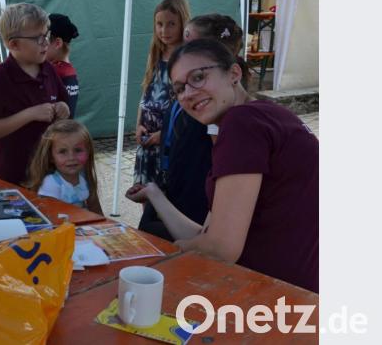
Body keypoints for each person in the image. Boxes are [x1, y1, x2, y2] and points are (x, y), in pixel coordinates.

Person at [126, 39, 318, 292]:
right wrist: (154, 194)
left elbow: (221, 249)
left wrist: (164, 257)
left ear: (234, 73)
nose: (188, 94)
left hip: (274, 300)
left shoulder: (243, 124)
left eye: (198, 77)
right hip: (295, 297)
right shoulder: (269, 115)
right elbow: (208, 236)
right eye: (179, 89)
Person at [137, 13, 245, 240]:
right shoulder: (194, 97)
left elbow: (219, 246)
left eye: (191, 46)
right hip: (173, 184)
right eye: (180, 87)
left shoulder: (234, 120)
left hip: (194, 196)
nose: (183, 53)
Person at [0, 3, 70, 185]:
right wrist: (30, 114)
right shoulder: (0, 77)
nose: (45, 43)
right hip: (11, 176)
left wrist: (63, 108)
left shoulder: (49, 70)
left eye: (47, 35)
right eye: (38, 38)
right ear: (14, 44)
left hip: (47, 174)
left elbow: (64, 104)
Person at [133, 0, 190, 185]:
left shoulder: (187, 57)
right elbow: (146, 91)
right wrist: (139, 124)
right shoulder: (155, 53)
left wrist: (165, 134)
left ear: (183, 23)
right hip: (148, 137)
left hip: (169, 138)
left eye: (171, 24)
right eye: (159, 24)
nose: (164, 30)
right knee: (145, 190)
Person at [25, 120, 102, 215]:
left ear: (88, 152)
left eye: (78, 150)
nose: (71, 157)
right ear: (51, 157)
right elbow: (50, 217)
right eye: (62, 151)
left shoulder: (85, 178)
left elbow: (97, 214)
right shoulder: (51, 184)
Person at [46, 13, 80, 118]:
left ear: (57, 43)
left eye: (44, 40)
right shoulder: (69, 70)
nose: (39, 45)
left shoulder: (56, 72)